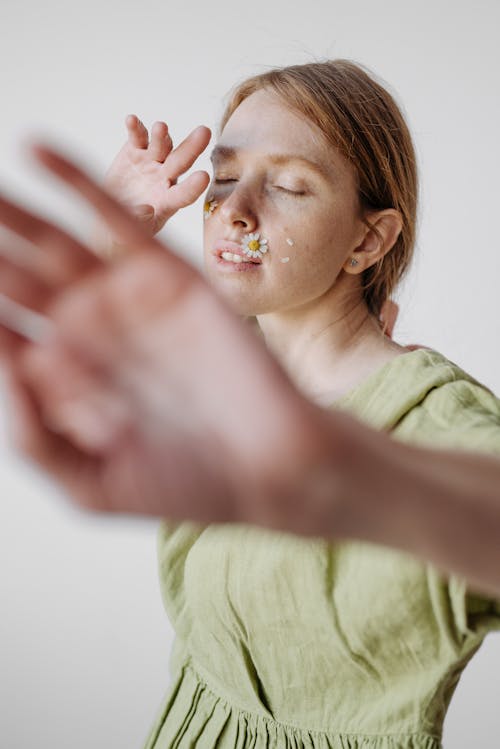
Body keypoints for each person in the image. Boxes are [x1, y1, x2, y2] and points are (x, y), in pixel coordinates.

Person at [0, 60, 499, 749]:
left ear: (367, 239)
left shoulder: (430, 415)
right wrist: (120, 242)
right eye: (225, 177)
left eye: (291, 185)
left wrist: (344, 475)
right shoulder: (223, 365)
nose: (233, 209)